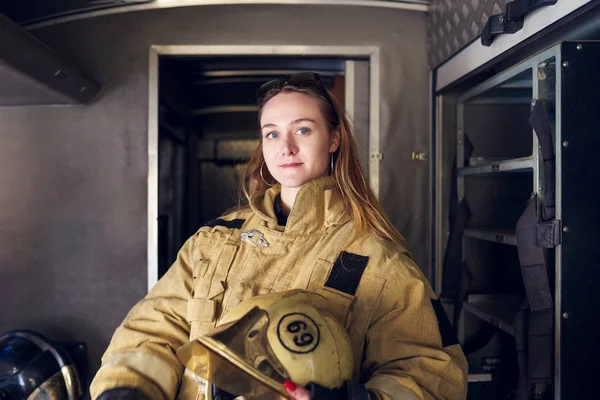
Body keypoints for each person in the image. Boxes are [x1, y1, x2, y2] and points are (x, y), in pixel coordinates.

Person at [90, 72, 468, 400]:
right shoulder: (213, 242)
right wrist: (127, 391)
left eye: (303, 129)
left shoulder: (376, 258)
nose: (285, 147)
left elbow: (432, 376)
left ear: (334, 139)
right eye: (272, 134)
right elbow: (151, 332)